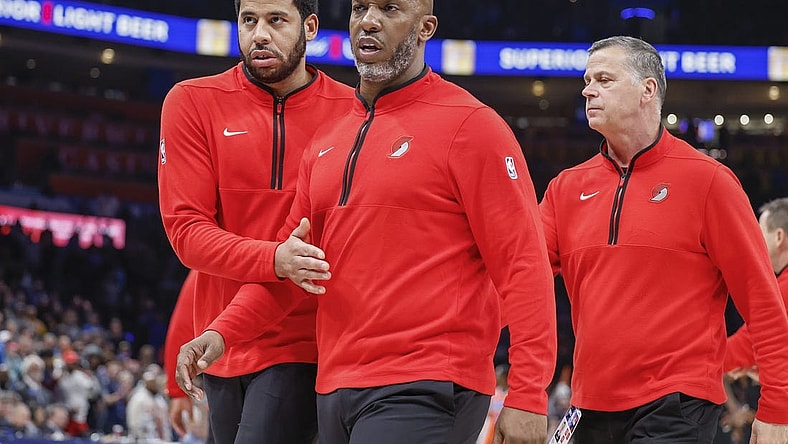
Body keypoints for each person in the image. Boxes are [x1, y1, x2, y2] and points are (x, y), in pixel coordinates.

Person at [177, 0, 557, 443]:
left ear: (425, 28)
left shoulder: (473, 127)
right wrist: (222, 333)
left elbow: (524, 266)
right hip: (335, 388)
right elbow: (295, 267)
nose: (369, 21)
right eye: (360, 8)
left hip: (427, 381)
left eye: (390, 9)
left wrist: (529, 393)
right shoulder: (328, 141)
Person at [539, 35, 788, 443]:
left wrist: (778, 405)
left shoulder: (708, 182)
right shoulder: (565, 188)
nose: (587, 89)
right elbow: (517, 277)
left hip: (677, 404)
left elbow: (763, 301)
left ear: (647, 90)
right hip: (590, 402)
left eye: (604, 78)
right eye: (586, 79)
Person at [156, 0, 354, 442]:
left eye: (276, 20)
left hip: (311, 344)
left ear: (312, 26)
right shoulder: (191, 102)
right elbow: (187, 236)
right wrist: (276, 259)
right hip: (221, 343)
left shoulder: (353, 111)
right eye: (249, 20)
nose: (259, 34)